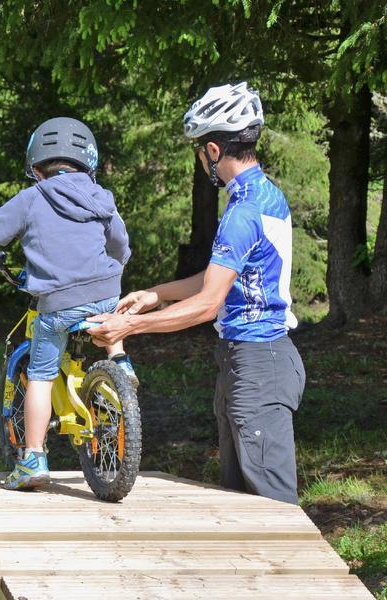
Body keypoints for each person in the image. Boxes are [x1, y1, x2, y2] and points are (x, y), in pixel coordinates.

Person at [89, 82, 305, 504]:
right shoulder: (259, 195)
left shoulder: (243, 210)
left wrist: (129, 326)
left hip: (259, 364)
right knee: (240, 502)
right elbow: (220, 277)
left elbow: (209, 303)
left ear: (212, 150)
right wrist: (155, 294)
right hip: (251, 363)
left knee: (275, 511)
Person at [0, 116, 136, 490]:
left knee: (40, 375)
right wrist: (113, 269)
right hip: (105, 289)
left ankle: (33, 458)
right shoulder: (100, 196)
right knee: (110, 311)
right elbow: (119, 243)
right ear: (87, 162)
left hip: (58, 302)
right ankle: (121, 363)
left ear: (36, 167)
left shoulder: (32, 198)